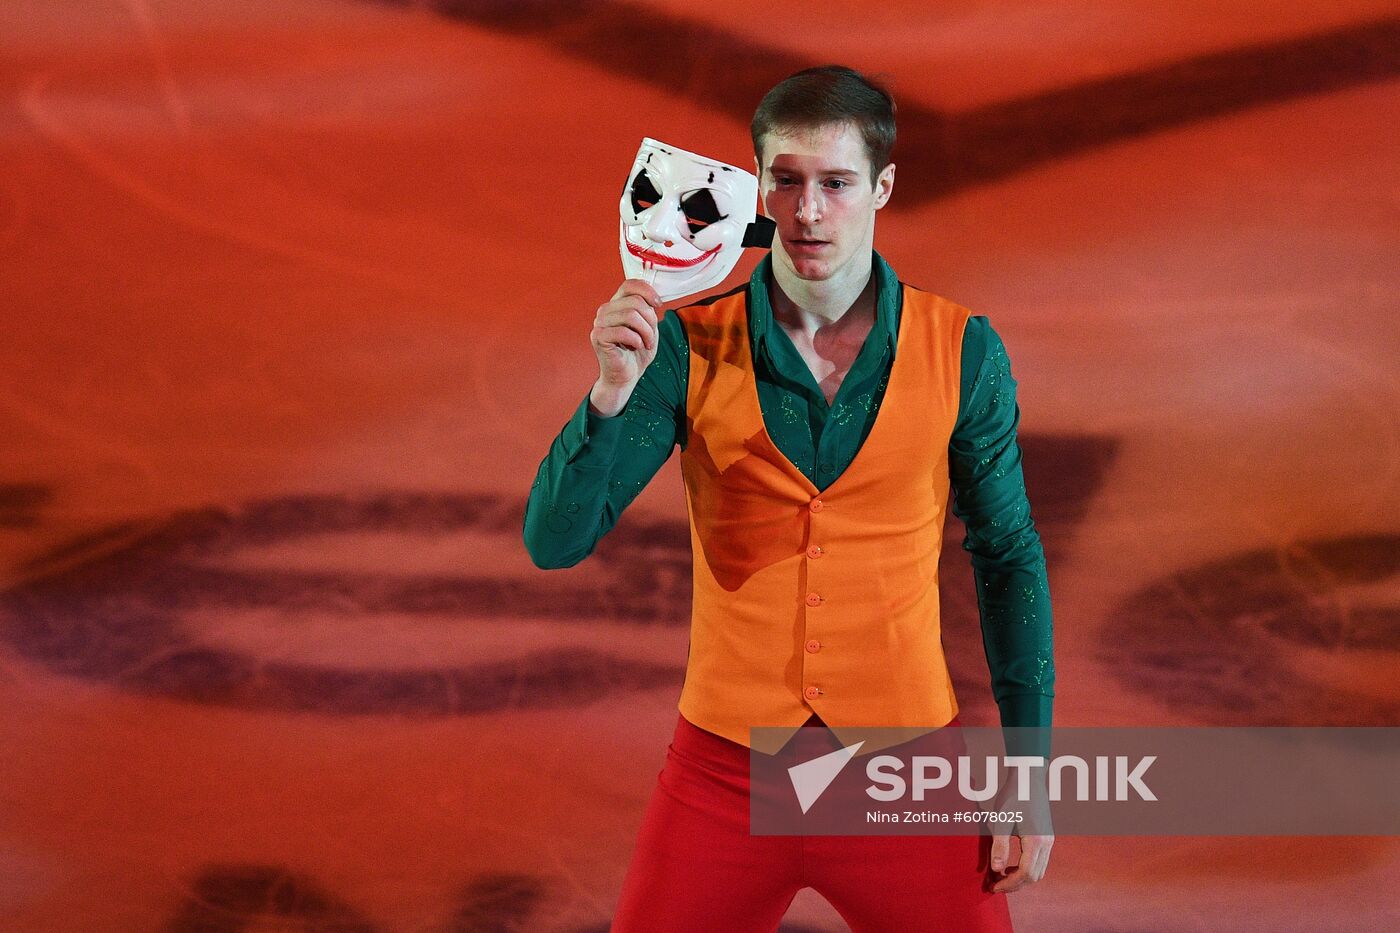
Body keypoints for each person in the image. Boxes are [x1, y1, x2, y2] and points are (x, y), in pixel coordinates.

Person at [523, 64, 1054, 932]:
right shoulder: (684, 346)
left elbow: (1008, 555)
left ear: (883, 187)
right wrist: (610, 395)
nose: (808, 212)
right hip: (724, 774)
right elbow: (554, 543)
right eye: (788, 181)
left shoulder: (962, 350)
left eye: (837, 184)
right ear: (759, 185)